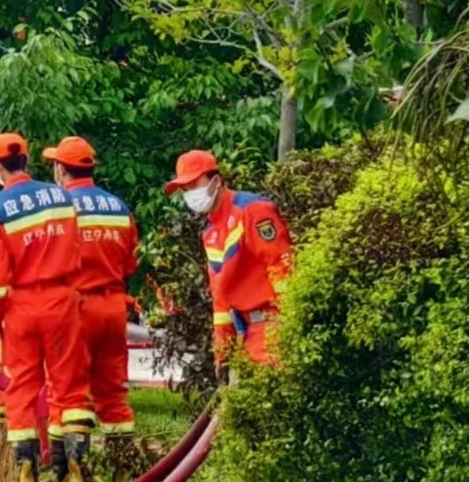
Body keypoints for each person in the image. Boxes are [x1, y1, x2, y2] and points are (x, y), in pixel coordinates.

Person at [0, 132, 91, 482]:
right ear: (26, 160)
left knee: (21, 387)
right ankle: (76, 468)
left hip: (21, 308)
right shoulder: (61, 196)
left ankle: (26, 472)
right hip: (63, 300)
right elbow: (75, 247)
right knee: (69, 385)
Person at [46, 136, 139, 439]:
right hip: (113, 308)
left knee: (69, 392)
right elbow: (131, 262)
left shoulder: (57, 207)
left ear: (61, 170)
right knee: (113, 391)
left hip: (75, 308)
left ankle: (72, 471)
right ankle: (122, 463)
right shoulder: (118, 207)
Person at [165, 149, 292, 369]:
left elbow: (281, 265)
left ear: (216, 179)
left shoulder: (252, 210)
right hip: (247, 333)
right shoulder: (211, 233)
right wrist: (222, 351)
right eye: (184, 189)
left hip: (274, 327)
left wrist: (291, 320)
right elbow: (221, 299)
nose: (189, 193)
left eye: (194, 184)